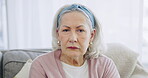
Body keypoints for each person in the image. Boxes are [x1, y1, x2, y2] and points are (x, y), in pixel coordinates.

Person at [29, 4, 120, 78]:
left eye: (80, 30)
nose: (73, 39)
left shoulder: (105, 65)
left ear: (91, 35)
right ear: (58, 34)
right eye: (66, 30)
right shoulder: (41, 65)